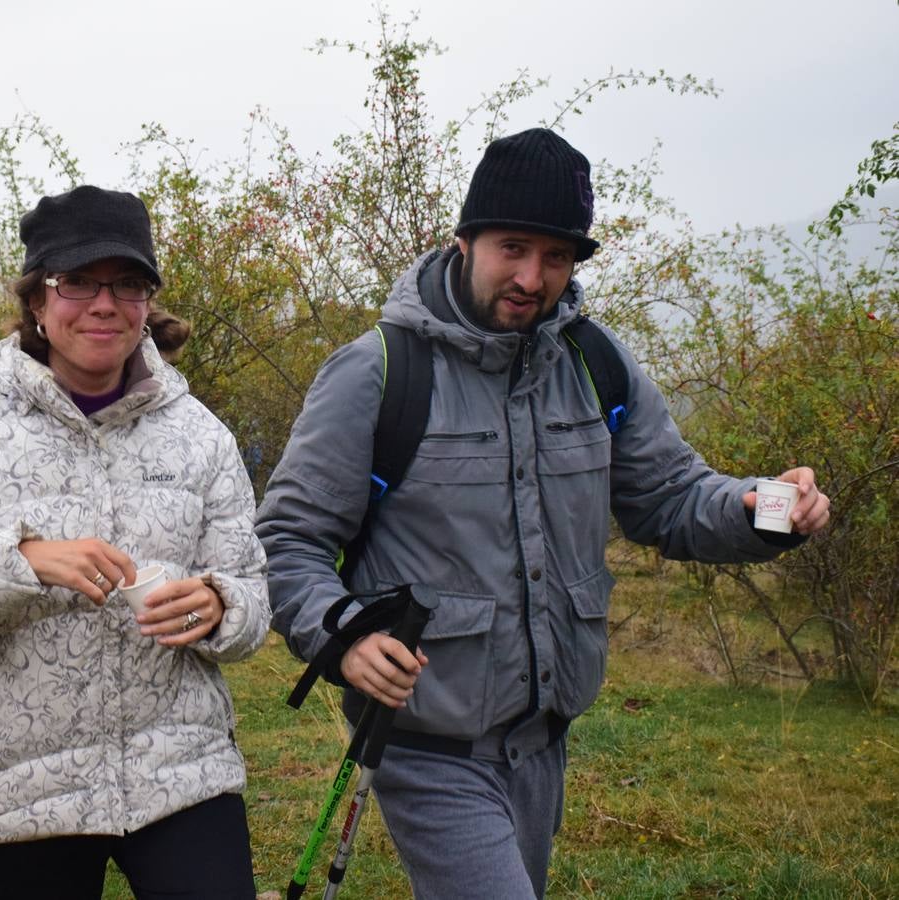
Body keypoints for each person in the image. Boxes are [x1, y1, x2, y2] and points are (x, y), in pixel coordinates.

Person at [255, 128, 832, 900]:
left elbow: (672, 497)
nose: (533, 277)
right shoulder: (379, 371)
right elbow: (287, 542)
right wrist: (345, 636)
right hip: (429, 745)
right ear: (464, 241)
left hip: (543, 747)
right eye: (513, 248)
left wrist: (760, 510)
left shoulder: (597, 364)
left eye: (556, 257)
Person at [0, 185, 271, 899]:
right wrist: (19, 563)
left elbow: (254, 598)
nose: (104, 303)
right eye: (77, 281)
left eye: (128, 284)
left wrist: (219, 606)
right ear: (38, 303)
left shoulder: (201, 435)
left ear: (147, 303)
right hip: (24, 792)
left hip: (182, 771)